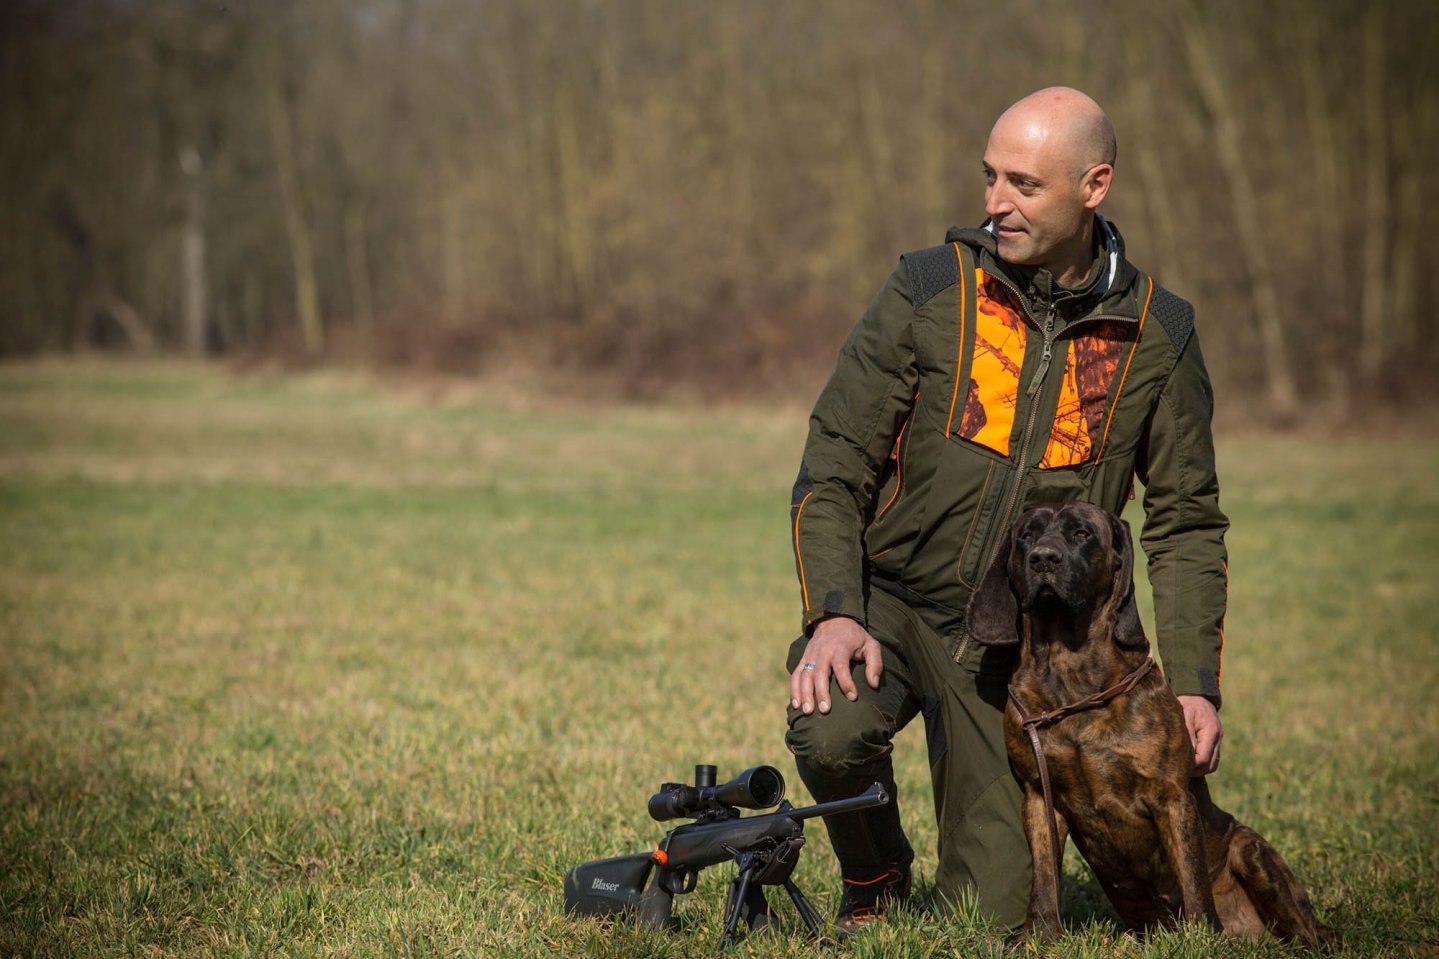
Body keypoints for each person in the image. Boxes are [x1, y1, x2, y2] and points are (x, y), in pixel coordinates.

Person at [784, 87, 1228, 935]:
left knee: (987, 918)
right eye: (989, 176)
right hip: (894, 606)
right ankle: (874, 871)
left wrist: (1194, 685)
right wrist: (834, 612)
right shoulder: (929, 288)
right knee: (831, 728)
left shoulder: (1157, 333)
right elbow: (832, 466)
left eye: (1023, 184)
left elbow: (1186, 522)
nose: (995, 202)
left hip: (1021, 658)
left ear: (1093, 186)